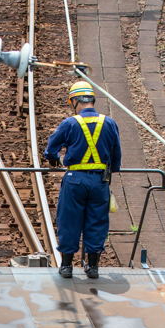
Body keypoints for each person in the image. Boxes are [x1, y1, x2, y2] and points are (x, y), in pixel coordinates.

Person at [44, 79, 121, 279]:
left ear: (74, 101)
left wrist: (53, 158)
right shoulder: (109, 123)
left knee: (69, 220)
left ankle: (66, 266)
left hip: (75, 179)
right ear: (92, 100)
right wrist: (110, 171)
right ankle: (93, 267)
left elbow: (51, 148)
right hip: (100, 181)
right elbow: (116, 156)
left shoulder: (70, 123)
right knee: (97, 221)